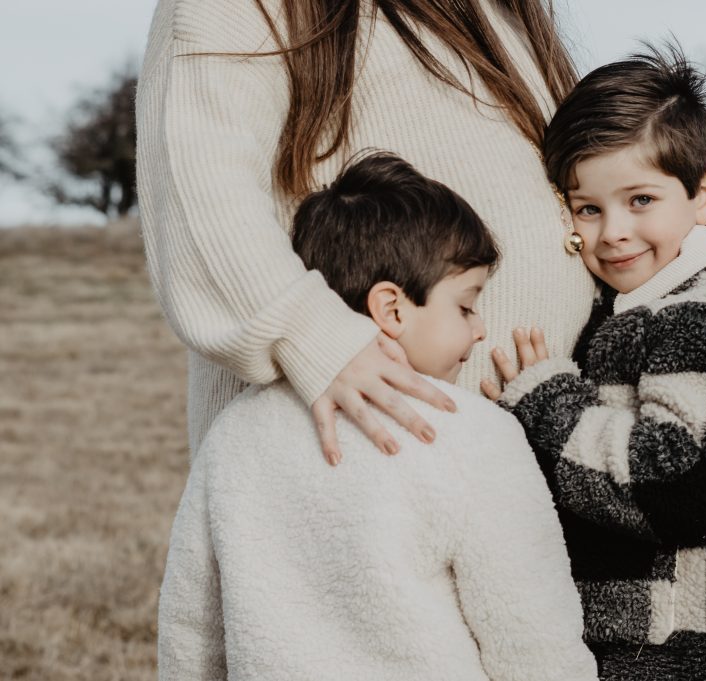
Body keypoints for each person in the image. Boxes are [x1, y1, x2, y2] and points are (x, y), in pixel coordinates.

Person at [136, 0, 706, 465]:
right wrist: (316, 340)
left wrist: (677, 250)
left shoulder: (502, 14)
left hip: (514, 468)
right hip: (365, 457)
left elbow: (588, 184)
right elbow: (199, 191)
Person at [158, 152, 599, 681]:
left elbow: (191, 626)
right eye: (465, 305)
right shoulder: (475, 435)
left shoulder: (235, 434)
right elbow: (532, 636)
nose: (480, 330)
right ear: (391, 308)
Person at [483, 48, 706, 681]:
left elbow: (684, 487)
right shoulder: (642, 309)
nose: (613, 232)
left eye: (641, 200)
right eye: (588, 208)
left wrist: (547, 403)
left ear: (704, 195)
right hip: (670, 643)